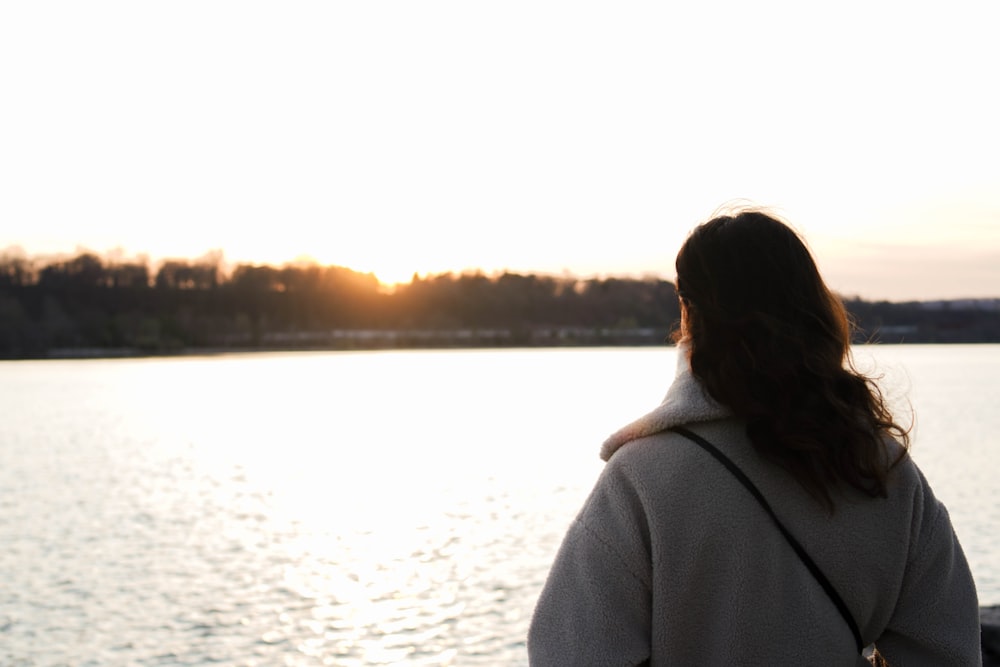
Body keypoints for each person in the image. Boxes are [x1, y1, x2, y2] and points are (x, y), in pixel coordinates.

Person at [527, 208, 981, 665]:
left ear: (689, 313)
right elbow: (948, 651)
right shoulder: (883, 472)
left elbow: (571, 653)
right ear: (813, 305)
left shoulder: (644, 477)